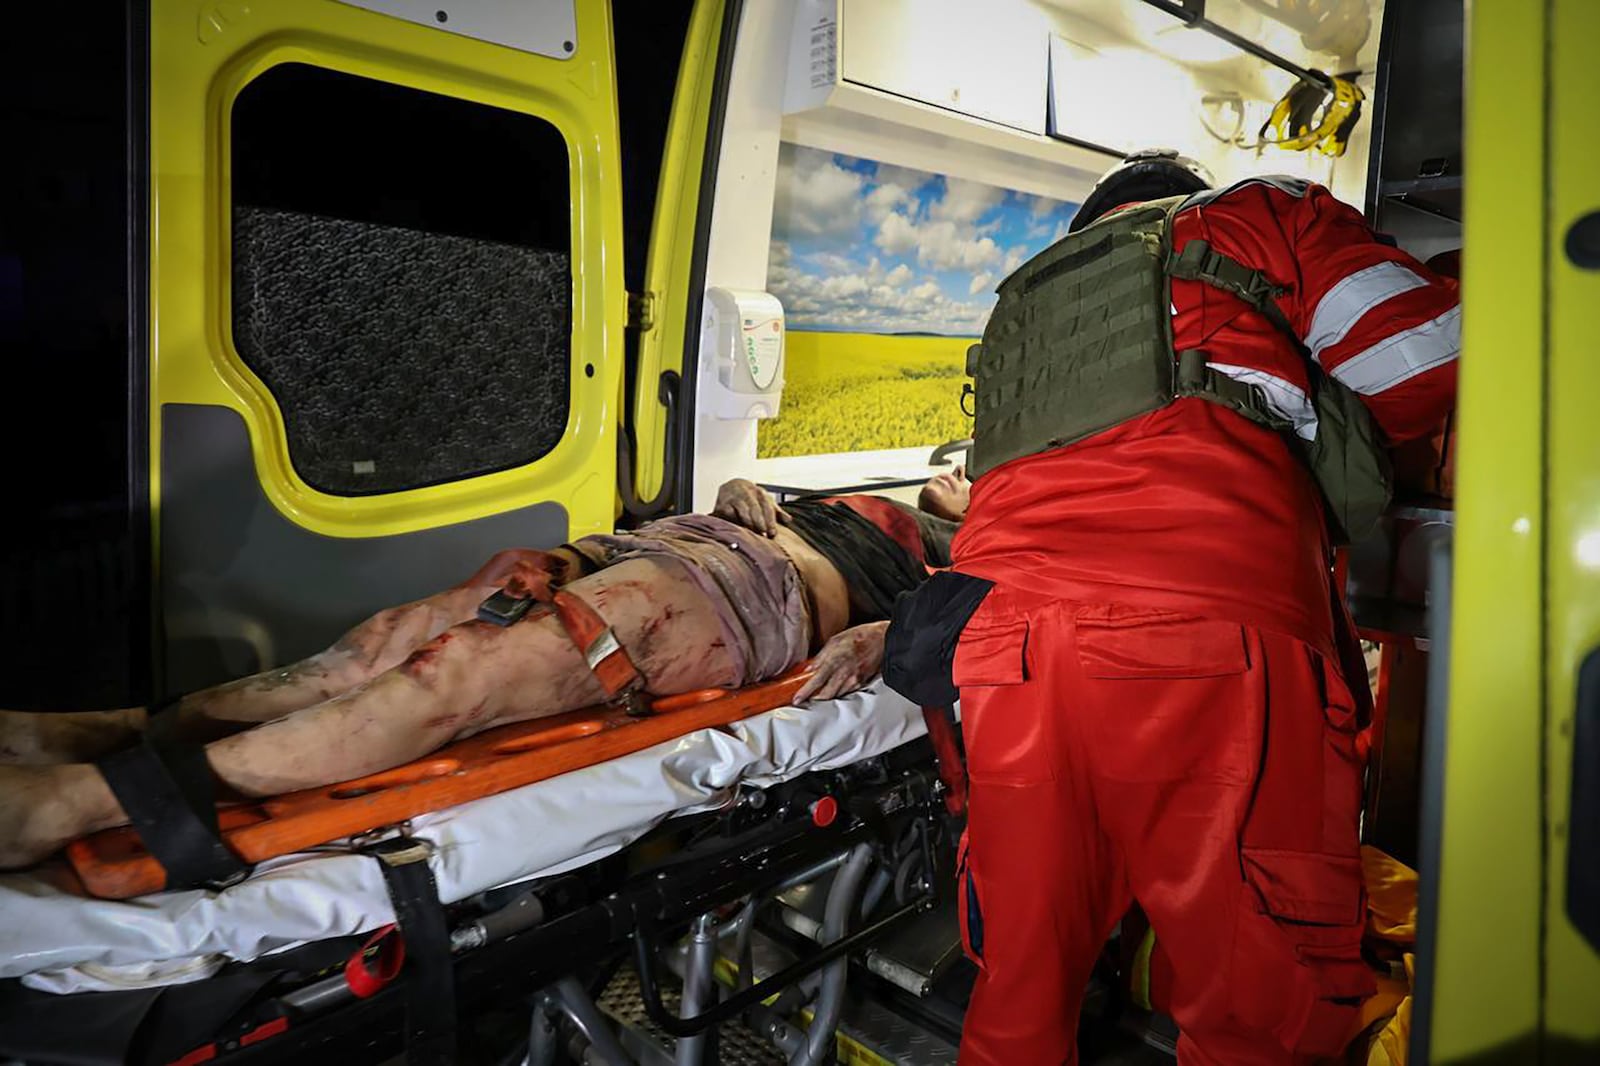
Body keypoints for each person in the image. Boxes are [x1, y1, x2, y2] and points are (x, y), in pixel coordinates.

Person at [897, 153, 1459, 1065]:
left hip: (1005, 646)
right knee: (1253, 1008)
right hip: (1205, 636)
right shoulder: (1255, 215)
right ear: (1181, 197)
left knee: (1019, 991)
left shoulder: (1017, 311)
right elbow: (1424, 361)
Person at [0, 472, 969, 870]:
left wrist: (887, 637)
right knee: (389, 640)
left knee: (450, 675)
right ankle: (120, 727)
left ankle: (80, 800)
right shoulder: (867, 488)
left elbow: (977, 621)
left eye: (973, 478)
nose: (957, 477)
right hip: (682, 544)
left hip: (753, 604)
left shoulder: (969, 541)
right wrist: (745, 488)